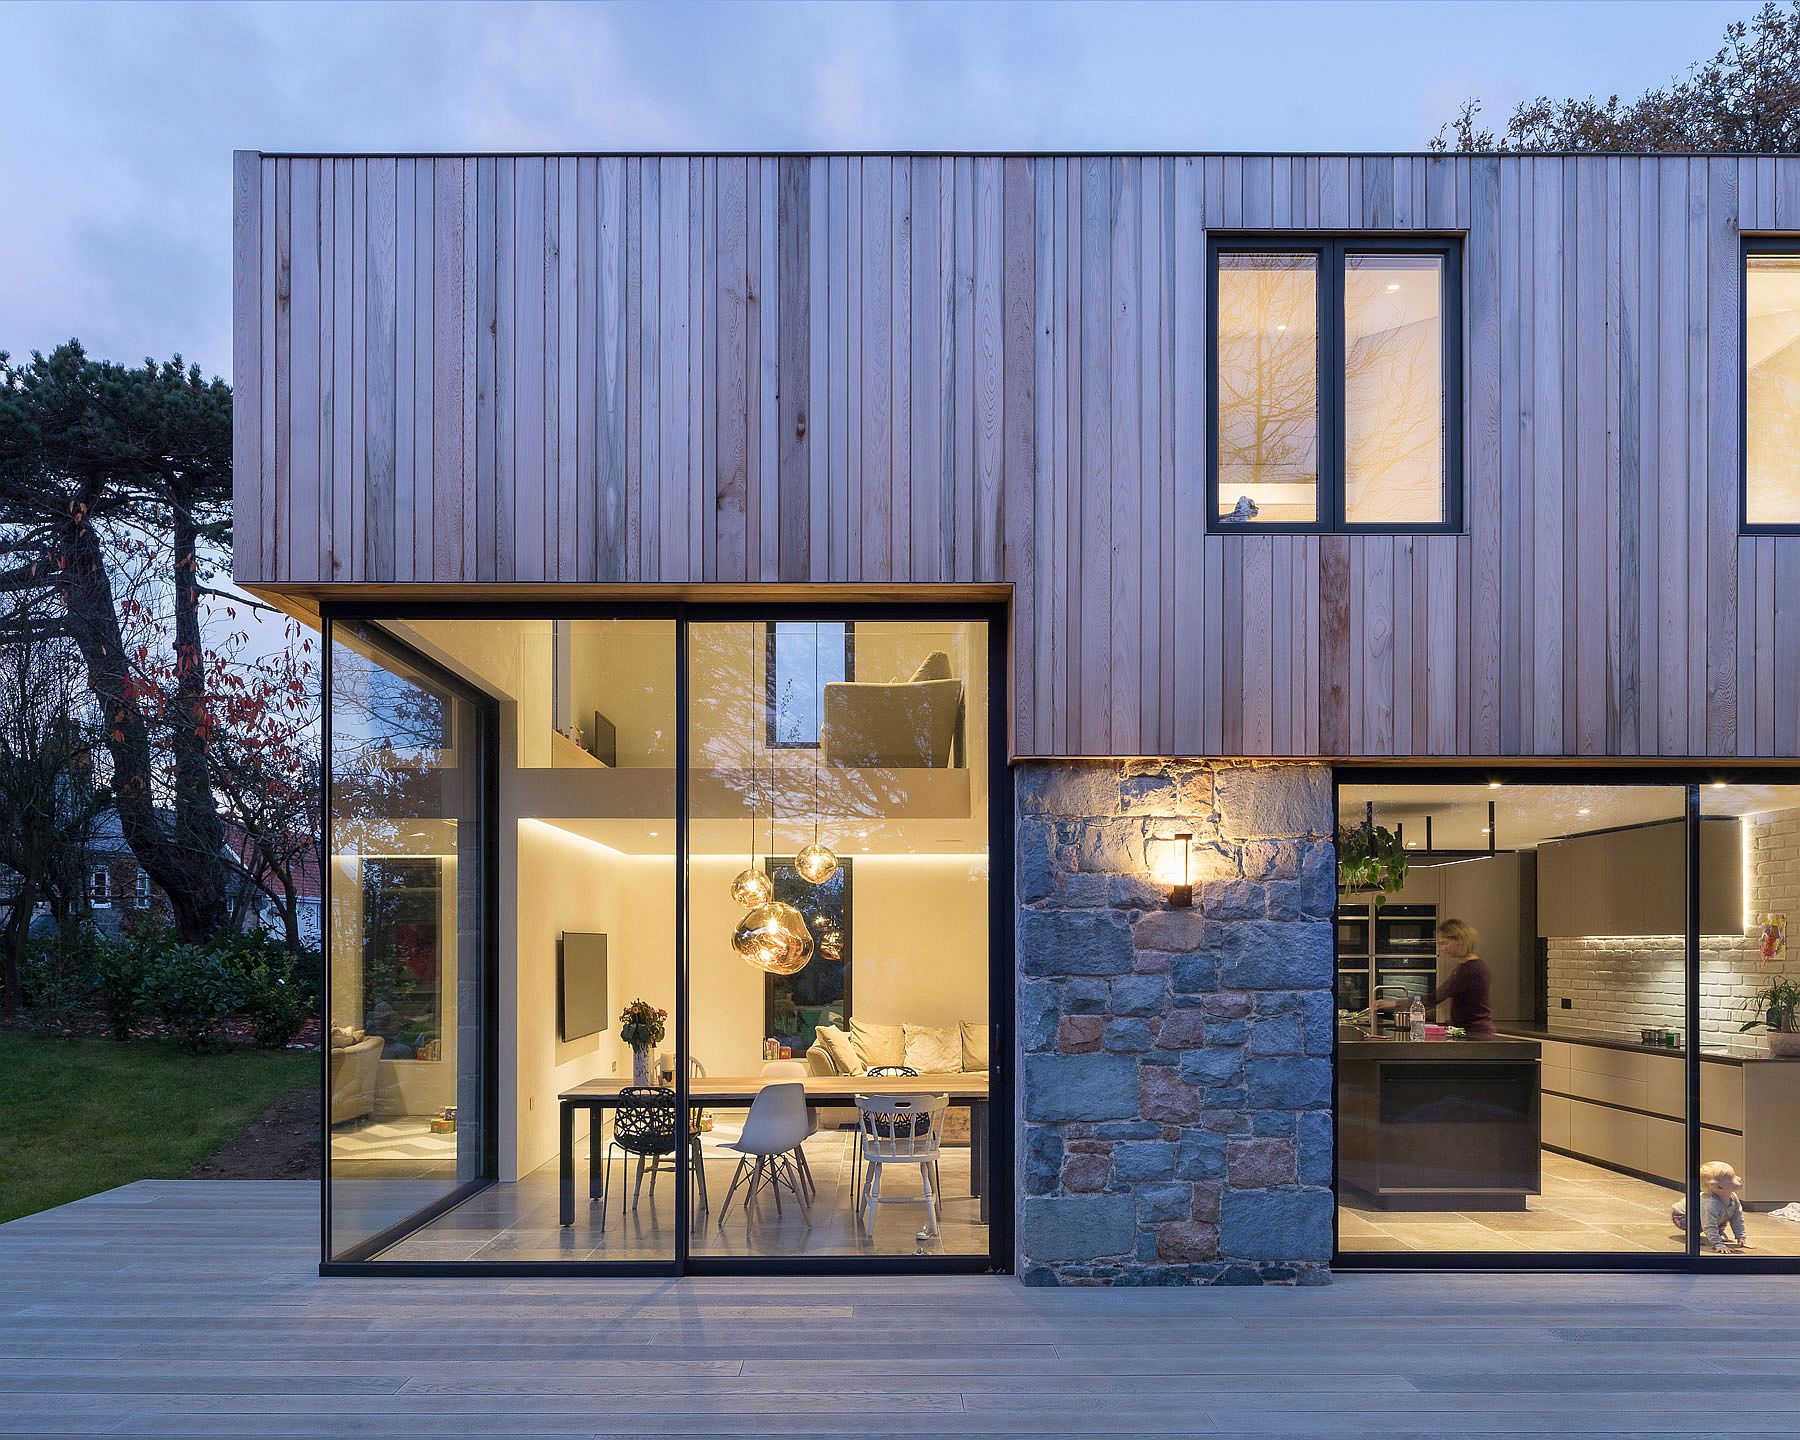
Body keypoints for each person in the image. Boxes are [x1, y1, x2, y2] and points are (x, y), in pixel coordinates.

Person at [1377, 918, 1495, 1037]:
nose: (1442, 948)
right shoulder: (1468, 966)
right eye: (1440, 944)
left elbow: (1433, 999)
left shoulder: (1470, 969)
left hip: (1476, 1033)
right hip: (1471, 1031)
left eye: (1445, 943)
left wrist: (1391, 1003)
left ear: (1459, 940)